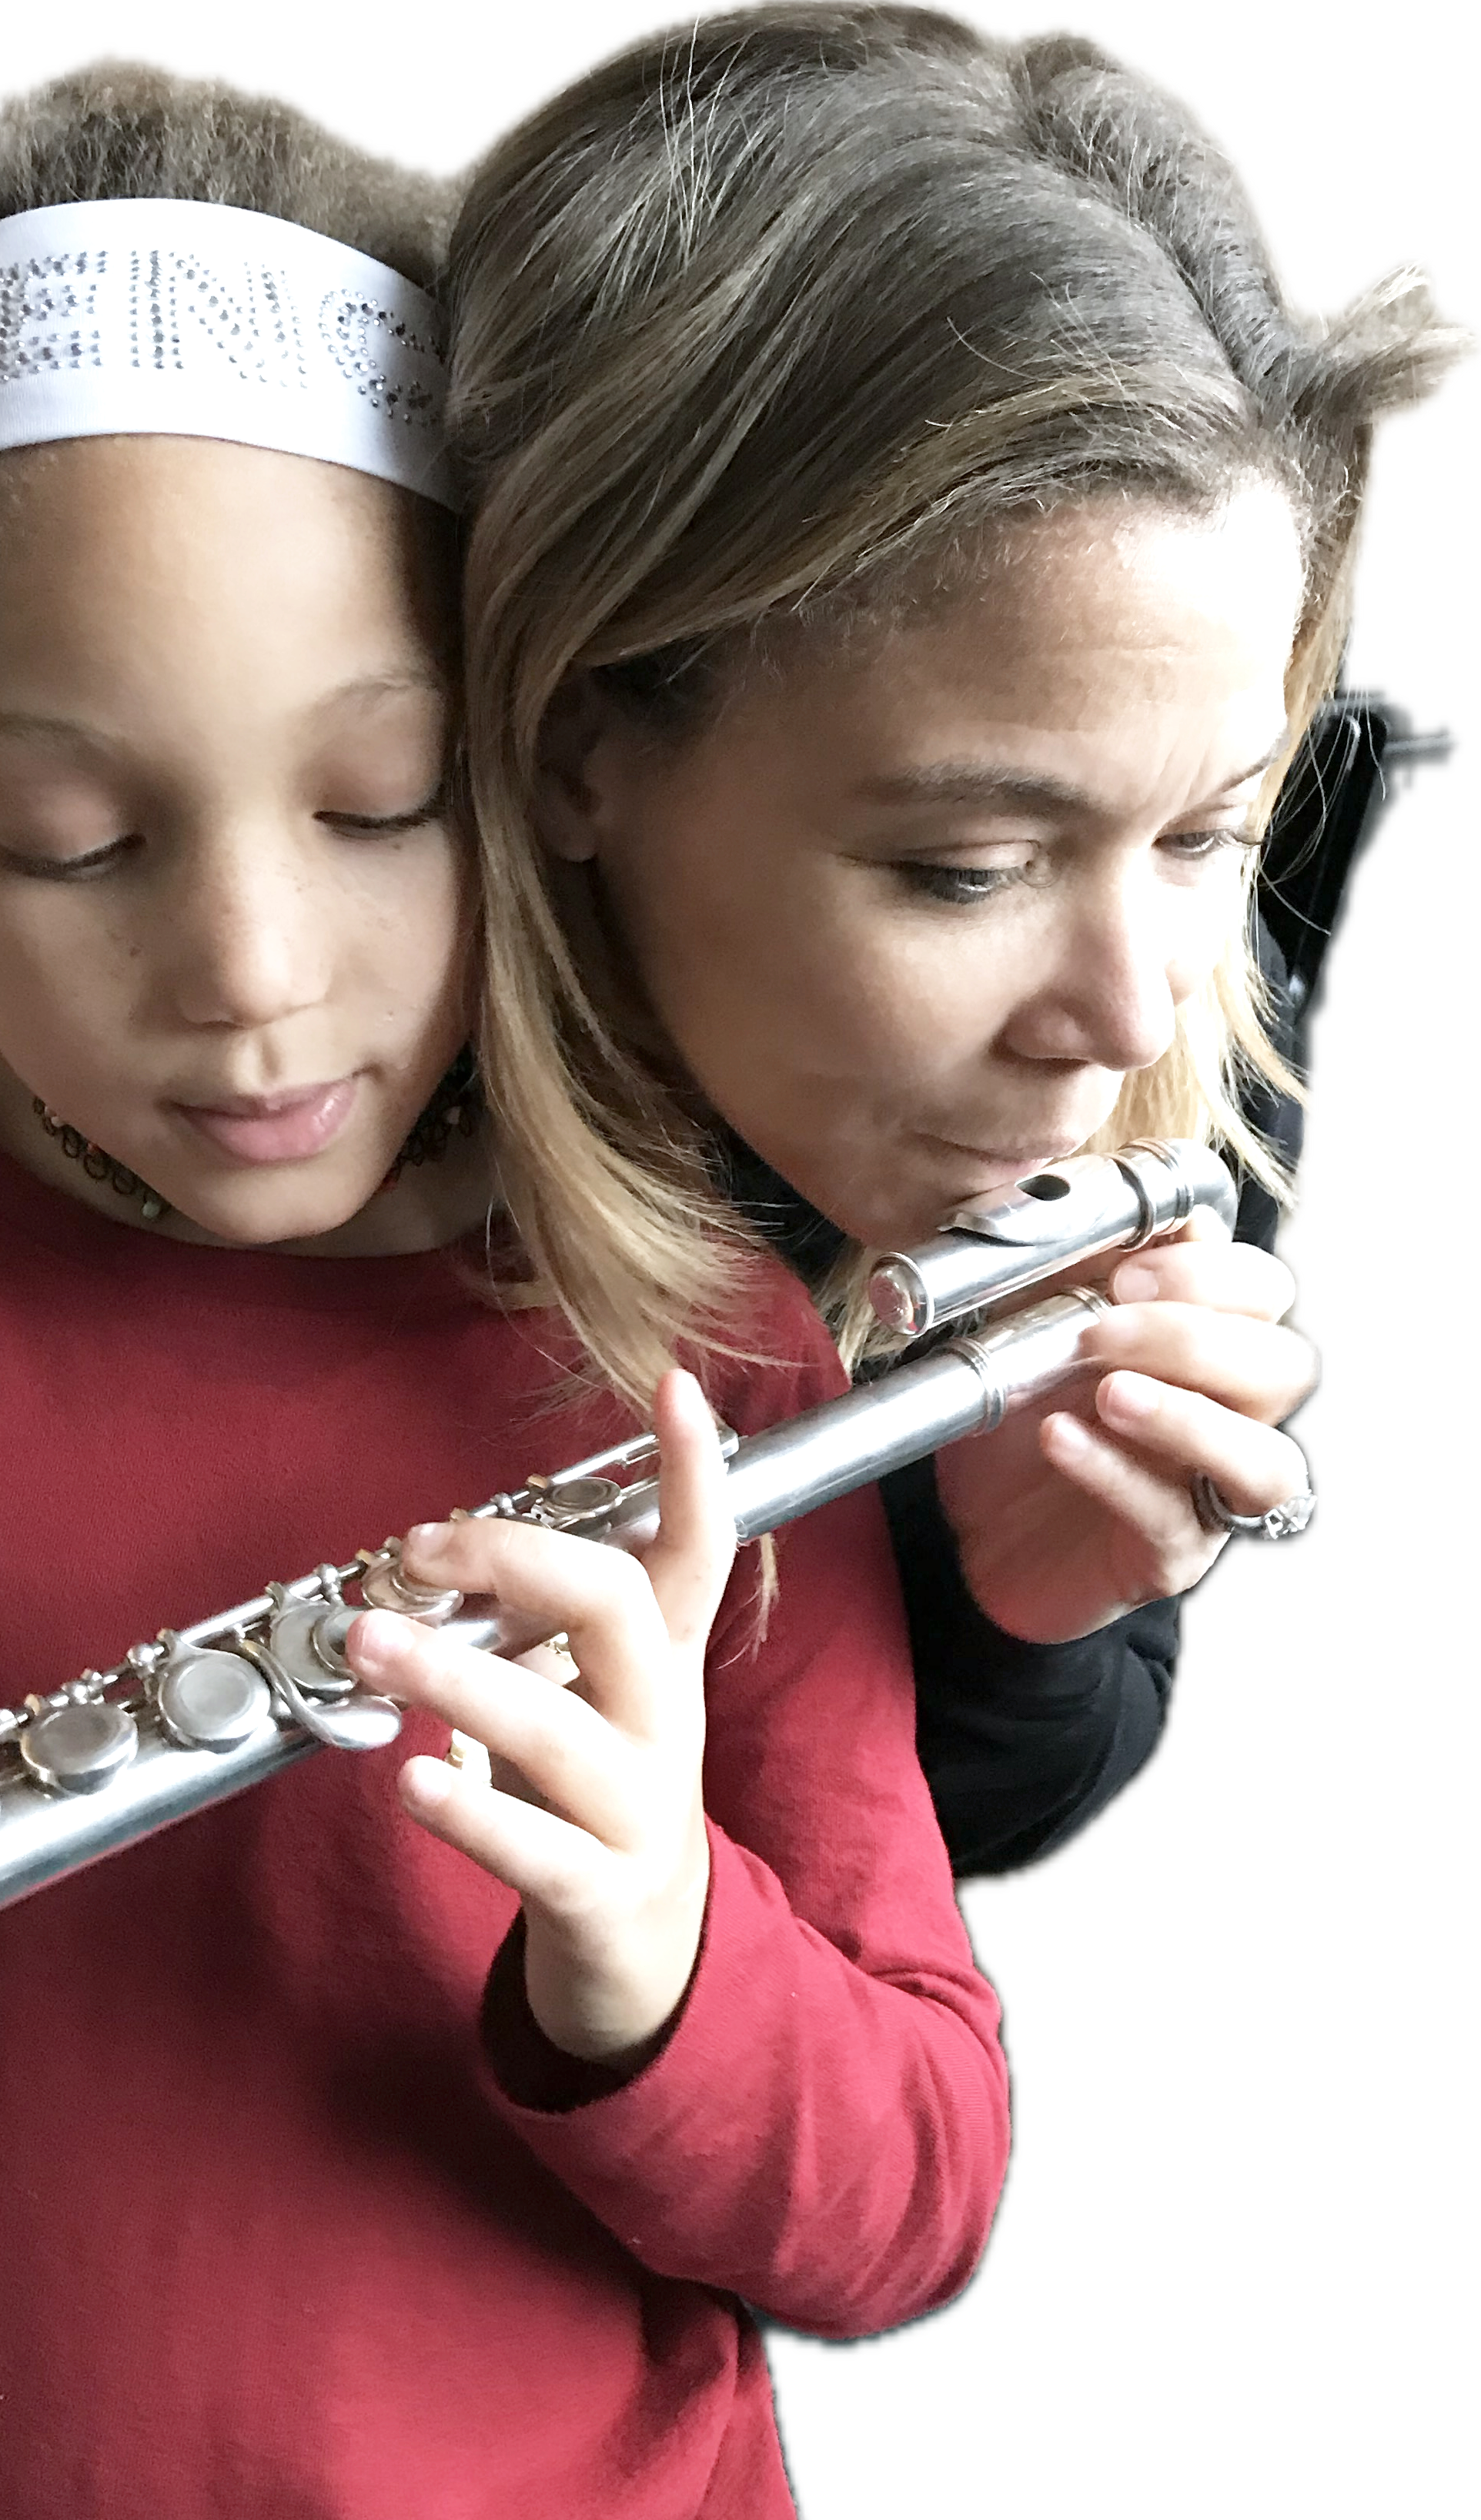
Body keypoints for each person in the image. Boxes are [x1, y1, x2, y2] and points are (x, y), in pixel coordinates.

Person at [0, 48, 1008, 2520]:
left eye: (379, 803)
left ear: (545, 765)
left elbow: (910, 2204)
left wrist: (668, 1962)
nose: (247, 982)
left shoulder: (701, 1353)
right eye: (70, 845)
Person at [440, 0, 1479, 1886]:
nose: (1127, 1008)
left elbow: (979, 1835)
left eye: (1202, 829)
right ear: (570, 741)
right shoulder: (210, 998)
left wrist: (1019, 1617)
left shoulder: (1166, 967)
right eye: (966, 868)